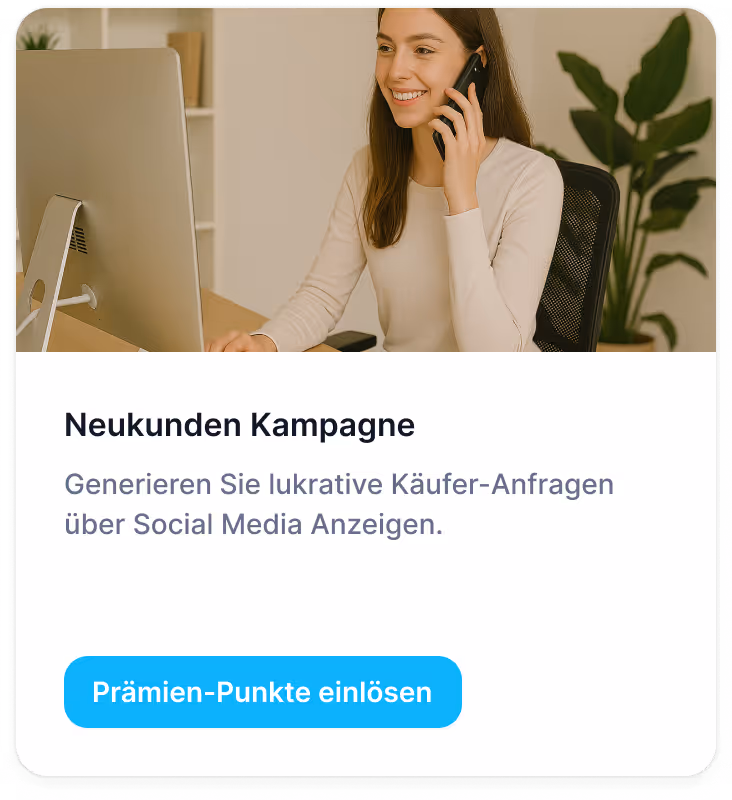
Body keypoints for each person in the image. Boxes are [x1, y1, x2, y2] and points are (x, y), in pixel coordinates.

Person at [207, 6, 564, 353]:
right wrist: (264, 343)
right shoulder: (370, 169)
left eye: (423, 50)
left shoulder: (532, 179)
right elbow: (323, 296)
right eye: (386, 48)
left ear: (478, 62)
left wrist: (462, 199)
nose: (396, 71)